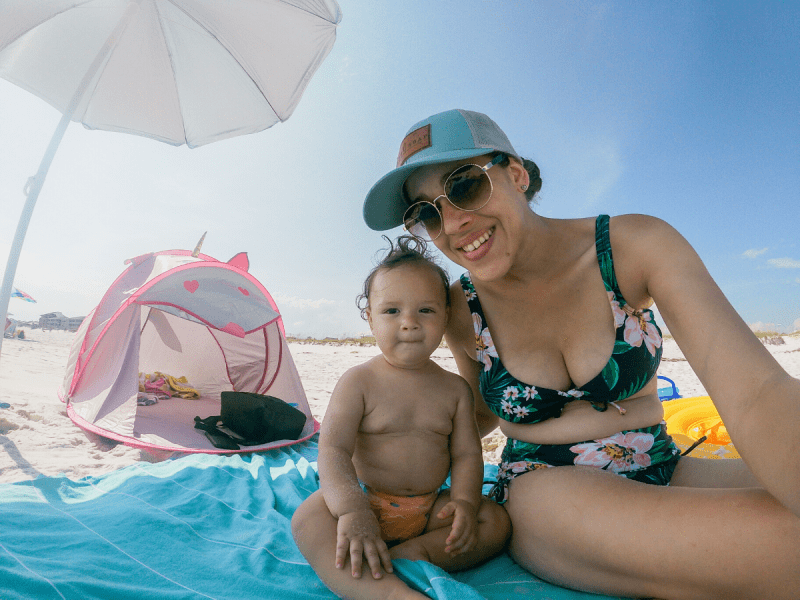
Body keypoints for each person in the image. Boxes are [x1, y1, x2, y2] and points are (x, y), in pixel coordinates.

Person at [361, 109, 800, 599]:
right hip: (549, 491)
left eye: (464, 186)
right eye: (426, 213)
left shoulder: (636, 246)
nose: (453, 222)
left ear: (517, 175)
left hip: (662, 463)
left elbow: (757, 392)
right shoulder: (461, 309)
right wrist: (381, 440)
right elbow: (472, 415)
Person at [291, 235, 511, 600]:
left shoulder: (455, 390)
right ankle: (387, 592)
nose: (409, 323)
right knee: (308, 519)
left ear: (445, 317)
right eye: (392, 311)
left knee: (494, 522)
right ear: (370, 319)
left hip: (428, 509)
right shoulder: (358, 382)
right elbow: (332, 450)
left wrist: (465, 503)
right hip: (367, 501)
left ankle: (417, 553)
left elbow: (468, 456)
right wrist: (351, 510)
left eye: (425, 310)